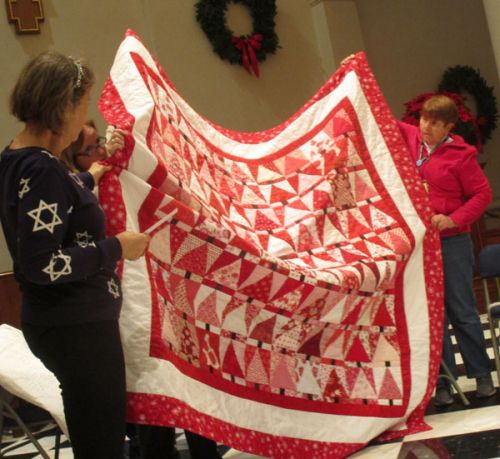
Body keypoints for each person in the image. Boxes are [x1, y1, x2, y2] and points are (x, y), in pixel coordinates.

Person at [0, 51, 150, 458]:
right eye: (83, 104)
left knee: (93, 434)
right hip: (75, 324)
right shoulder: (44, 169)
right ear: (63, 104)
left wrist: (95, 173)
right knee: (100, 442)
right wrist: (117, 246)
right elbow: (42, 264)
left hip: (61, 322)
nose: (85, 117)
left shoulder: (19, 159)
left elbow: (57, 205)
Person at [397, 94, 496, 406]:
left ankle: (481, 375)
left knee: (463, 311)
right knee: (433, 315)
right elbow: (377, 117)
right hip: (422, 245)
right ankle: (443, 383)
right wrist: (353, 75)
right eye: (425, 120)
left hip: (452, 243)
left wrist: (454, 219)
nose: (427, 127)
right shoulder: (412, 138)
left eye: (435, 124)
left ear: (449, 126)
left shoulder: (462, 156)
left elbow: (482, 195)